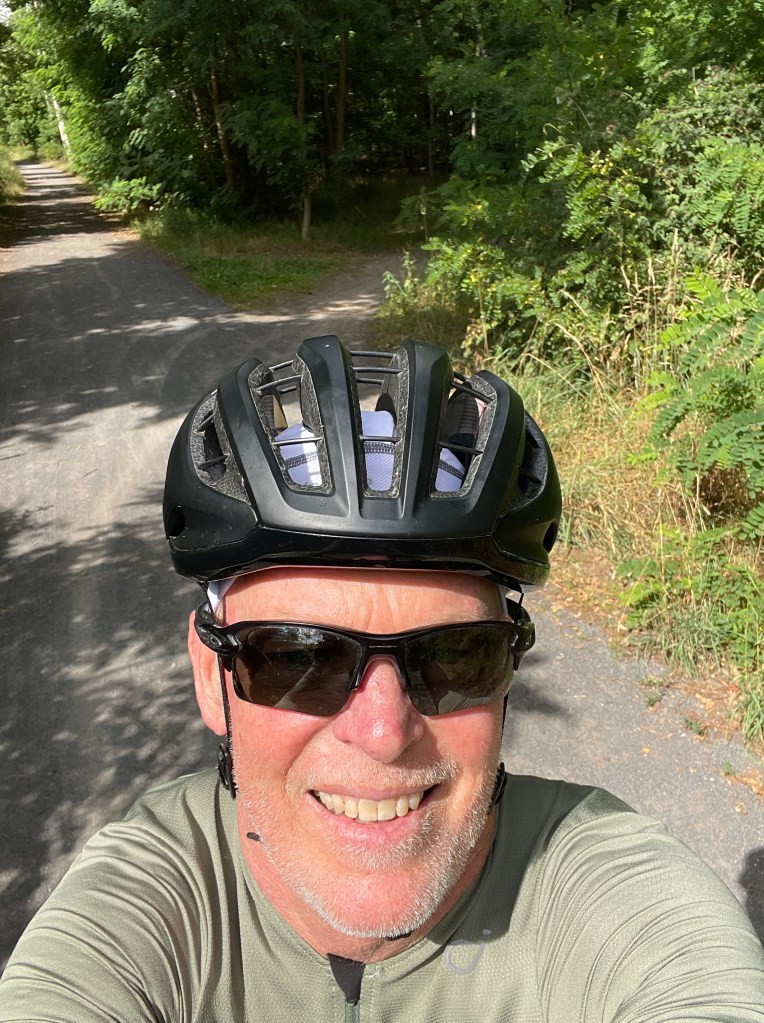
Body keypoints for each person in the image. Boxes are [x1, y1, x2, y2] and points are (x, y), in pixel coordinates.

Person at [1, 335, 763, 1021]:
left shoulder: (599, 887)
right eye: (299, 657)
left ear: (507, 671)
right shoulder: (149, 910)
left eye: (456, 653)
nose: (384, 730)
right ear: (212, 677)